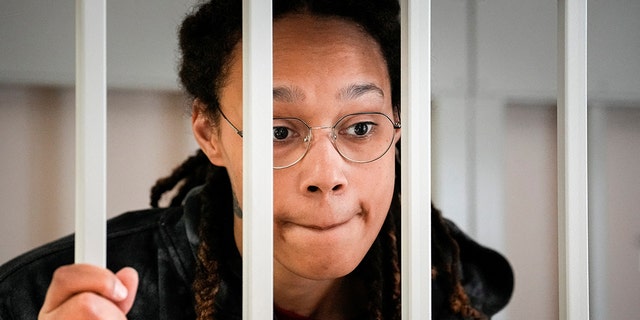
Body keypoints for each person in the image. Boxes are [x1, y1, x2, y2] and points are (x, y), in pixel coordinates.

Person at [0, 0, 514, 319]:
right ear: (210, 131)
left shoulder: (453, 290)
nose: (327, 177)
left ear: (397, 124)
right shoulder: (57, 300)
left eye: (360, 127)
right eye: (277, 131)